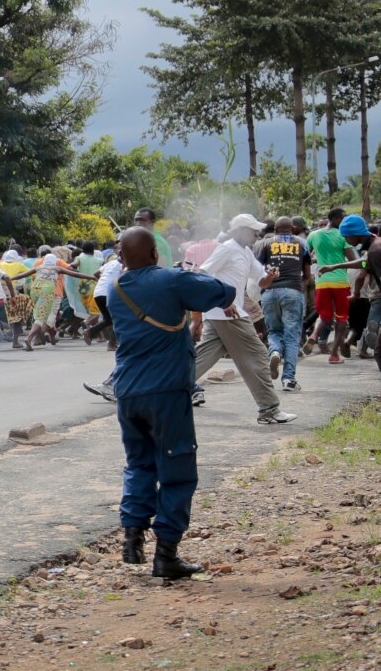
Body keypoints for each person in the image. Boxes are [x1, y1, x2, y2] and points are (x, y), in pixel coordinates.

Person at [108, 227, 237, 579]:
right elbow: (223, 293)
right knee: (177, 471)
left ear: (122, 258)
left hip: (129, 393)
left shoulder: (115, 288)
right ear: (154, 254)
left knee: (139, 464)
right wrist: (192, 273)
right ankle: (166, 554)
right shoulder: (170, 279)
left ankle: (132, 535)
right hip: (166, 392)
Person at [194, 214, 297, 425]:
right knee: (258, 355)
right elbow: (201, 273)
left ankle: (160, 392)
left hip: (219, 314)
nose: (256, 234)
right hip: (227, 312)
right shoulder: (227, 248)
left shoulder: (246, 252)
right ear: (240, 230)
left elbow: (262, 282)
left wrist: (270, 276)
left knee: (201, 358)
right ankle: (269, 409)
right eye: (252, 230)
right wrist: (223, 300)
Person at [316, 214, 381, 372]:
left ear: (354, 234)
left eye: (346, 237)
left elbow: (366, 265)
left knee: (379, 351)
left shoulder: (375, 250)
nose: (345, 240)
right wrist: (334, 266)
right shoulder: (374, 247)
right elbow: (364, 263)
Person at [257, 217, 311, 391]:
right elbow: (307, 275)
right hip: (293, 291)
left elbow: (258, 270)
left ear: (275, 229)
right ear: (293, 228)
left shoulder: (265, 244)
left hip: (270, 292)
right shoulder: (302, 244)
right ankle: (289, 379)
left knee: (274, 331)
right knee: (292, 335)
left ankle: (274, 352)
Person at [12, 254, 96, 351]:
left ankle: (49, 335)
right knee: (43, 317)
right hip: (48, 291)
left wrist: (9, 278)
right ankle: (30, 337)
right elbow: (76, 275)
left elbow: (21, 275)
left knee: (40, 315)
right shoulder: (57, 268)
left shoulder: (38, 267)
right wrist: (92, 277)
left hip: (35, 290)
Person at [304, 208, 357, 363]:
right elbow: (352, 260)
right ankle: (334, 355)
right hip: (340, 281)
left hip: (322, 281)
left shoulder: (313, 235)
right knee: (341, 318)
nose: (345, 221)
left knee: (324, 315)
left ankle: (314, 335)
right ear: (335, 219)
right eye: (343, 218)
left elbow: (307, 257)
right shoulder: (343, 236)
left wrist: (317, 262)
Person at [87, 247, 123, 350]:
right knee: (116, 318)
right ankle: (112, 344)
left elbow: (95, 274)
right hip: (109, 293)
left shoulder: (109, 263)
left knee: (108, 319)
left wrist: (102, 281)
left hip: (98, 292)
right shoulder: (122, 266)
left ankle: (90, 331)